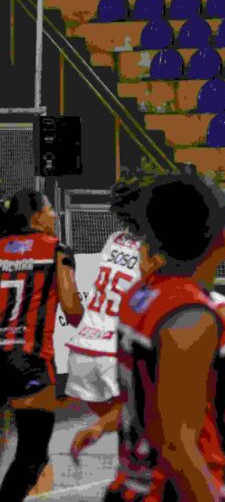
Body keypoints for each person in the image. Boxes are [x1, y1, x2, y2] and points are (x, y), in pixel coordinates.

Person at [103, 173, 225, 502]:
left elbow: (154, 412)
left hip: (138, 483)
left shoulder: (138, 298)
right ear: (223, 240)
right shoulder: (191, 318)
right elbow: (177, 447)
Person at [74, 286, 225, 502]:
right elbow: (150, 403)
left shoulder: (211, 314)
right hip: (199, 462)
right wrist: (101, 425)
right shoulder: (159, 312)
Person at [0, 190, 84, 501]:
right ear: (36, 216)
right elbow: (73, 311)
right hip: (29, 361)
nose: (55, 215)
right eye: (51, 209)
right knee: (32, 455)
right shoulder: (57, 251)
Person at [64, 180, 146, 441]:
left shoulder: (113, 240)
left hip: (82, 348)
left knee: (127, 423)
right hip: (112, 351)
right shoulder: (151, 251)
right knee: (145, 418)